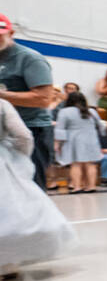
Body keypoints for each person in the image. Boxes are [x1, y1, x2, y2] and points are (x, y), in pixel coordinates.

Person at [0, 98, 76, 279]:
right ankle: (7, 264)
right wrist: (18, 157)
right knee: (11, 214)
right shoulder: (2, 104)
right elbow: (23, 135)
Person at [0, 13, 57, 190]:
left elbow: (43, 99)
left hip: (32, 130)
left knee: (31, 187)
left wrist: (3, 95)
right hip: (4, 132)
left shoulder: (30, 58)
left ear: (11, 33)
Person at [53, 90, 103, 194]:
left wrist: (57, 143)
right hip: (91, 139)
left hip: (74, 140)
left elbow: (60, 129)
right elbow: (101, 125)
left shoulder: (65, 111)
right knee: (91, 164)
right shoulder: (92, 111)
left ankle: (77, 187)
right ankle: (91, 186)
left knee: (75, 164)